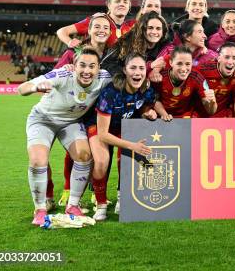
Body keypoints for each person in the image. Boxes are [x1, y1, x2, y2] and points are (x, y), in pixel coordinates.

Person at [18, 47, 112, 225]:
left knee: (84, 155)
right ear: (74, 66)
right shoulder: (62, 74)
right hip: (42, 120)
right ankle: (40, 209)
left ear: (98, 68)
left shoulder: (104, 77)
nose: (87, 70)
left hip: (71, 122)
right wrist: (36, 86)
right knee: (38, 161)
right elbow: (22, 88)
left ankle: (73, 205)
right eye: (82, 65)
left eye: (92, 66)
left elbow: (126, 81)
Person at [51, 13, 112, 207]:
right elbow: (54, 77)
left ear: (110, 32)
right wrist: (68, 70)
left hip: (98, 113)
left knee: (101, 152)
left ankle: (96, 191)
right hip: (75, 111)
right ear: (89, 30)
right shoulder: (74, 51)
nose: (101, 31)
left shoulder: (113, 53)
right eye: (97, 27)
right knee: (75, 151)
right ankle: (68, 189)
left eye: (105, 28)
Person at [87, 53, 157, 221]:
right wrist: (131, 145)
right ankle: (101, 204)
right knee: (102, 161)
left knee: (124, 159)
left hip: (122, 127)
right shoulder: (111, 91)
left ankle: (122, 199)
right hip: (99, 128)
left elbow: (142, 106)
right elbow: (103, 135)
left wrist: (148, 112)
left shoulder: (146, 89)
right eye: (132, 68)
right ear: (125, 70)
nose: (137, 72)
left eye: (141, 68)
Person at [152, 46, 217, 120]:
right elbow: (154, 100)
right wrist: (164, 114)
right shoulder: (160, 77)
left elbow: (211, 111)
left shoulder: (196, 77)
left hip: (185, 117)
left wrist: (212, 102)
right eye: (179, 63)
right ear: (171, 62)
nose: (183, 69)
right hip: (162, 116)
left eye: (188, 64)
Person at [56, 0, 134, 48]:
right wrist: (70, 42)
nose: (122, 4)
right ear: (108, 5)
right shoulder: (96, 21)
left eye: (125, 2)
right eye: (117, 1)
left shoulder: (130, 26)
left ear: (129, 6)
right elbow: (62, 31)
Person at [103, 11, 169, 76]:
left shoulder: (165, 45)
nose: (154, 32)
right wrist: (125, 75)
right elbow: (106, 63)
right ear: (142, 29)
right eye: (150, 28)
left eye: (158, 29)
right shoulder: (126, 41)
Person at [195, 42, 235, 117]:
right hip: (200, 115)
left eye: (234, 58)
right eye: (226, 57)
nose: (230, 62)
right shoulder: (202, 70)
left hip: (223, 116)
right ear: (219, 58)